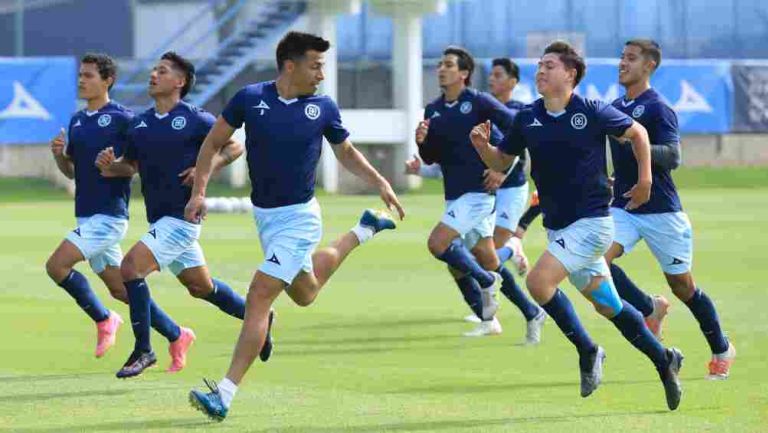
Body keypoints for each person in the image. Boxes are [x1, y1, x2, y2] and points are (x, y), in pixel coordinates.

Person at [185, 31, 404, 422]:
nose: (322, 73)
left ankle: (224, 394)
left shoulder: (323, 107)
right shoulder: (250, 99)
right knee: (306, 292)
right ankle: (364, 229)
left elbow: (346, 152)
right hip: (265, 218)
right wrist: (198, 192)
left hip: (300, 219)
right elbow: (212, 143)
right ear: (291, 65)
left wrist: (380, 181)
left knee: (258, 298)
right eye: (316, 65)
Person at [470, 41, 683, 410]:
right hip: (559, 228)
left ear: (570, 74)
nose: (540, 70)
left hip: (593, 224)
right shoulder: (528, 118)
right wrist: (482, 148)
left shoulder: (593, 111)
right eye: (539, 65)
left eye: (549, 65)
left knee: (538, 282)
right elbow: (502, 162)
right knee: (609, 306)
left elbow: (639, 134)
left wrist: (645, 179)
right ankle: (664, 359)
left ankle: (588, 351)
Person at [95, 52, 249, 379]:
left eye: (162, 71)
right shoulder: (141, 124)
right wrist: (110, 167)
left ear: (179, 82)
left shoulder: (195, 118)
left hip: (182, 219)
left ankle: (144, 349)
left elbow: (234, 147)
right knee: (201, 287)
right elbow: (130, 166)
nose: (153, 75)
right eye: (153, 69)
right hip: (160, 219)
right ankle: (259, 318)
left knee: (130, 268)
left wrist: (205, 167)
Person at [606, 39, 735, 379]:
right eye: (622, 57)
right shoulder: (614, 106)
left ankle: (722, 347)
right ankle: (649, 307)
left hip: (661, 209)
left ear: (649, 66)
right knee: (596, 262)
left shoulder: (658, 108)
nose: (623, 63)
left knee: (683, 287)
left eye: (631, 59)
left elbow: (673, 157)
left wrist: (637, 143)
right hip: (623, 206)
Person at [45, 53, 183, 361]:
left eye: (89, 75)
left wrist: (117, 164)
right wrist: (58, 156)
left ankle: (104, 318)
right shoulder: (77, 120)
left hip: (109, 216)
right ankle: (177, 334)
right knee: (122, 290)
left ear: (108, 81)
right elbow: (73, 173)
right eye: (80, 75)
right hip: (86, 212)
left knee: (56, 266)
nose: (81, 80)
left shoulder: (124, 118)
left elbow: (135, 163)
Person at [406, 54, 544, 341]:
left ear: (464, 73)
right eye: (440, 65)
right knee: (486, 258)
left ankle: (485, 281)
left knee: (438, 243)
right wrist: (422, 143)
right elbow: (432, 156)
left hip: (479, 195)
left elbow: (516, 127)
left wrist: (502, 167)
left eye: (448, 65)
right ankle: (531, 312)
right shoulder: (433, 109)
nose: (441, 69)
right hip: (454, 196)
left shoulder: (479, 101)